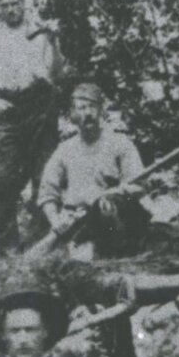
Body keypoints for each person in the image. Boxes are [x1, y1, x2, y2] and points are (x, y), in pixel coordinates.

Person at [0, 0, 62, 243]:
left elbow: (56, 74)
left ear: (23, 4)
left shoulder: (40, 32)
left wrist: (54, 42)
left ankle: (43, 241)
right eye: (5, 5)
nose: (11, 9)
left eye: (15, 4)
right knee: (2, 179)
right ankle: (6, 243)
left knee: (44, 177)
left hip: (40, 108)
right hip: (8, 110)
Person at [36, 81, 150, 258]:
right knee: (72, 260)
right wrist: (56, 221)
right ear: (73, 114)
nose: (87, 113)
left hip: (114, 218)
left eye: (92, 107)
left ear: (101, 110)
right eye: (81, 108)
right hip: (77, 220)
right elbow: (47, 192)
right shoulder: (65, 149)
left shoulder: (120, 143)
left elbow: (139, 185)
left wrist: (114, 193)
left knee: (108, 211)